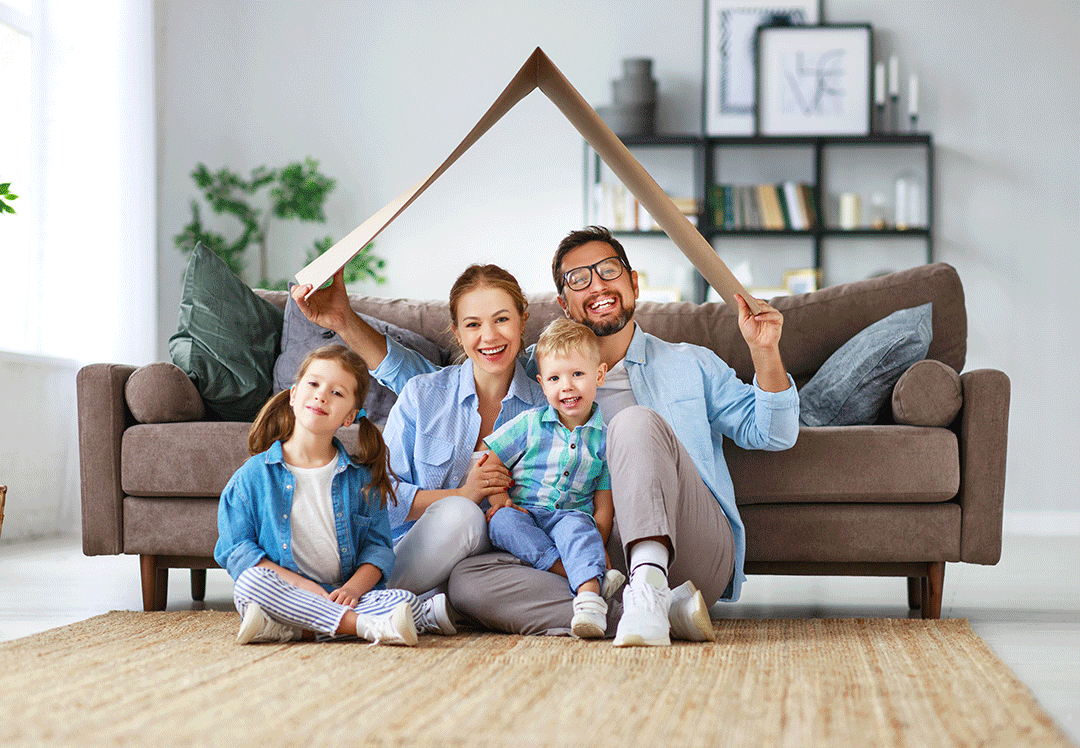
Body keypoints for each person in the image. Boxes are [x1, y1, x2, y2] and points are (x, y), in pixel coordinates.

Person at [295, 227, 798, 643]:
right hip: (583, 556)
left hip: (687, 547)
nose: (597, 284)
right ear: (562, 302)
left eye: (608, 271)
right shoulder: (543, 371)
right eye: (579, 279)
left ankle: (652, 586)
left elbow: (773, 434)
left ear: (633, 283)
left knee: (632, 423)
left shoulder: (690, 364)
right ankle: (643, 613)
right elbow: (437, 385)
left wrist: (765, 351)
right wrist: (343, 320)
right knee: (469, 581)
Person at [291, 266, 568, 617]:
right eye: (472, 324)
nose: (489, 336)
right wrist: (462, 495)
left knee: (472, 560)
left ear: (523, 321)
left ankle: (375, 609)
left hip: (493, 563)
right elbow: (379, 495)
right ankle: (364, 604)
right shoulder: (424, 394)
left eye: (501, 319)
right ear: (456, 331)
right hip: (413, 552)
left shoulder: (548, 406)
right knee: (462, 514)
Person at [214, 345, 456, 645]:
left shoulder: (361, 480)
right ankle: (364, 626)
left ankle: (294, 629)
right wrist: (302, 586)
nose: (321, 395)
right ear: (293, 394)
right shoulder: (253, 475)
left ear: (349, 417)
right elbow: (236, 550)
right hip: (283, 592)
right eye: (313, 384)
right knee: (249, 585)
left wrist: (353, 590)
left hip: (341, 594)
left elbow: (377, 550)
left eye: (337, 393)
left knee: (400, 598)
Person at [483, 319, 625, 639]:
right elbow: (491, 463)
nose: (567, 386)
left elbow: (604, 501)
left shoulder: (605, 439)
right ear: (542, 384)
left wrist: (596, 536)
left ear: (599, 375)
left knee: (579, 529)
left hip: (571, 517)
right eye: (555, 378)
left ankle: (589, 601)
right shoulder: (529, 424)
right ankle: (583, 574)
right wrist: (500, 502)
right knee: (501, 522)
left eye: (577, 374)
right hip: (526, 514)